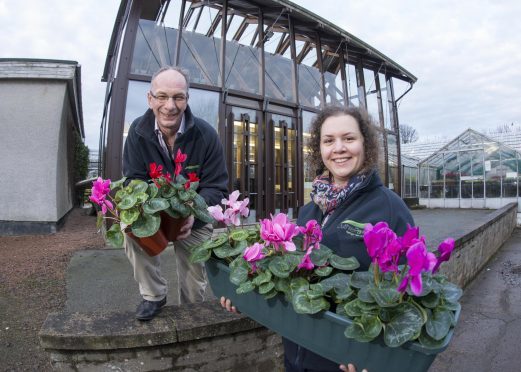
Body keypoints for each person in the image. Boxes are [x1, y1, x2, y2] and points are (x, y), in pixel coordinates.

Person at [221, 105, 414, 371]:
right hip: (296, 352)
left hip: (346, 357)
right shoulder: (310, 209)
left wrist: (379, 358)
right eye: (328, 140)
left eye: (349, 138)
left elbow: (408, 289)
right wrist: (246, 298)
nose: (339, 148)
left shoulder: (389, 208)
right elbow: (288, 281)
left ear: (365, 144)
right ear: (319, 149)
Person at [123, 66, 228, 321]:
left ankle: (191, 307)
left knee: (194, 282)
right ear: (150, 99)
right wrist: (152, 213)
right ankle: (154, 295)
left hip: (194, 215)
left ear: (186, 100)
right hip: (155, 214)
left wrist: (194, 215)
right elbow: (134, 181)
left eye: (178, 97)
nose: (170, 105)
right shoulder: (137, 133)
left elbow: (216, 187)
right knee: (130, 227)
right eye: (162, 96)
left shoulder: (205, 135)